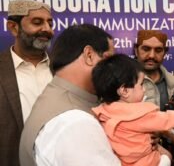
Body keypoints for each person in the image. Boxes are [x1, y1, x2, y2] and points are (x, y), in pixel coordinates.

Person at [19, 24, 121, 166]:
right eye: (109, 60)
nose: (115, 69)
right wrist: (162, 159)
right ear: (89, 55)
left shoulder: (55, 97)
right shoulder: (76, 122)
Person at [91, 54, 174, 166]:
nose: (144, 89)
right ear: (124, 91)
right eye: (141, 84)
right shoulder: (140, 114)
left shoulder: (103, 111)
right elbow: (170, 119)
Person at [0, 0, 53, 166]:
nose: (47, 29)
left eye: (50, 23)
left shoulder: (63, 68)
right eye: (37, 22)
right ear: (13, 28)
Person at [134, 30, 174, 110]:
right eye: (146, 49)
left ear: (164, 53)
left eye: (158, 50)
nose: (151, 56)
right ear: (136, 51)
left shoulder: (172, 82)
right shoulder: (124, 80)